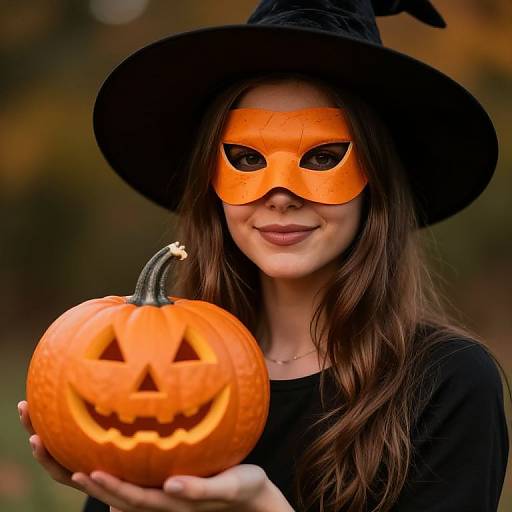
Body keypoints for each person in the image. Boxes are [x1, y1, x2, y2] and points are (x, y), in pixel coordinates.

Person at [19, 1, 510, 511]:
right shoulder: (153, 376)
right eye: (248, 159)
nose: (280, 193)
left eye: (322, 158)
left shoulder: (448, 384)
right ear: (213, 183)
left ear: (377, 183)